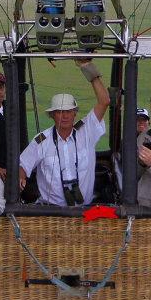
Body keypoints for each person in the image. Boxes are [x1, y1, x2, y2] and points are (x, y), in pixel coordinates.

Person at [18, 60, 110, 206]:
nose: (65, 116)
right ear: (52, 115)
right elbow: (22, 165)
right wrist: (21, 177)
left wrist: (88, 68)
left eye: (68, 111)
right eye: (60, 112)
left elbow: (104, 101)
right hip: (51, 213)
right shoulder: (41, 140)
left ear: (75, 114)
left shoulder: (86, 132)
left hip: (84, 211)